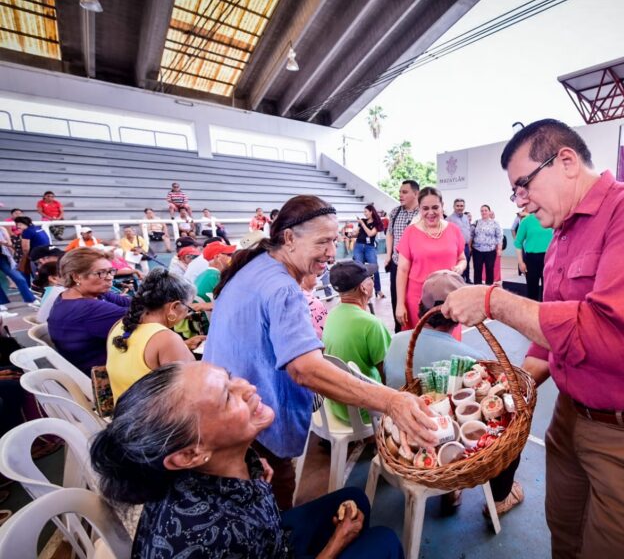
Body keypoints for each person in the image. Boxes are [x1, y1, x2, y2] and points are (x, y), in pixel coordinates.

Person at [442, 119, 624, 558]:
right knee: (565, 540)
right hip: (572, 419)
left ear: (566, 161)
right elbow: (552, 334)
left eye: (523, 186)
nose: (520, 201)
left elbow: (614, 339)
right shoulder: (562, 236)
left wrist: (495, 301)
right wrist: (509, 388)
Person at [203, 195, 436, 509]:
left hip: (226, 420)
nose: (331, 252)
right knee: (274, 505)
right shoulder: (283, 288)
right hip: (252, 429)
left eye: (335, 241)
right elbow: (305, 368)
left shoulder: (255, 266)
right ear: (289, 238)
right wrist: (391, 400)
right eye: (323, 242)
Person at [89, 361, 404, 559]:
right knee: (385, 540)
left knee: (353, 498)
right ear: (189, 454)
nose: (248, 387)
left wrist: (253, 476)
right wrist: (338, 542)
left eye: (229, 378)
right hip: (259, 542)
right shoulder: (217, 535)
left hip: (270, 540)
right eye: (227, 397)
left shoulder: (205, 467)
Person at [385, 270, 524, 515]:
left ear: (420, 305)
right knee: (508, 436)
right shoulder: (473, 360)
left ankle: (451, 492)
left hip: (398, 437)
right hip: (443, 452)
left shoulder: (397, 341)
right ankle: (500, 498)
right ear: (457, 317)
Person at [107, 269, 204, 400]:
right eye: (188, 309)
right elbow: (190, 394)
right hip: (152, 419)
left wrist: (184, 346)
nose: (187, 314)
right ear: (174, 307)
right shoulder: (166, 338)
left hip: (126, 414)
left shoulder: (119, 325)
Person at [323, 261, 391, 424]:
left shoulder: (332, 315)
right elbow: (387, 374)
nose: (373, 282)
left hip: (337, 404)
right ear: (363, 288)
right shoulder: (371, 324)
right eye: (371, 278)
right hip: (363, 410)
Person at [48, 247, 131, 373]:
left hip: (82, 369)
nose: (109, 277)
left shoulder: (69, 296)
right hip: (104, 377)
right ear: (77, 277)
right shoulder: (89, 308)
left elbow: (131, 303)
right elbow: (148, 315)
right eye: (101, 273)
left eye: (111, 271)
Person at [395, 186, 466, 331]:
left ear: (442, 206)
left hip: (449, 297)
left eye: (435, 207)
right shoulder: (410, 232)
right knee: (420, 344)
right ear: (419, 208)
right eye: (425, 208)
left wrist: (460, 266)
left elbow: (462, 258)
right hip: (418, 299)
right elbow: (402, 270)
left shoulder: (454, 230)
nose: (430, 213)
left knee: (449, 344)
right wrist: (400, 303)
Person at [385, 180, 420, 333]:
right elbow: (390, 234)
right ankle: (399, 332)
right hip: (397, 263)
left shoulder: (422, 214)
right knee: (396, 299)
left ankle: (416, 329)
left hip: (416, 266)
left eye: (404, 192)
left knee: (414, 299)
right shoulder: (395, 212)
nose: (400, 195)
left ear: (416, 194)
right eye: (400, 192)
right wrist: (388, 255)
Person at [514, 211, 552, 301]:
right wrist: (520, 262)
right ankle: (532, 313)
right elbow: (518, 242)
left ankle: (546, 312)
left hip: (549, 259)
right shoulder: (526, 221)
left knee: (547, 291)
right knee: (532, 291)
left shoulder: (552, 218)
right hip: (531, 259)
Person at [352, 204, 385, 297]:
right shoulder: (362, 221)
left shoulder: (376, 223)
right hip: (358, 246)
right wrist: (352, 233)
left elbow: (370, 234)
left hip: (369, 247)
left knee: (374, 268)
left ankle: (378, 290)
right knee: (358, 268)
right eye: (364, 212)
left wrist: (362, 224)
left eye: (366, 211)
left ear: (371, 212)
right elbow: (357, 233)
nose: (364, 213)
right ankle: (359, 289)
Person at [0, 225, 37, 308]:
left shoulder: (2, 229)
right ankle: (2, 304)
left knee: (19, 278)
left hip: (3, 257)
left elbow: (9, 243)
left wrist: (3, 243)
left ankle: (31, 300)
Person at [470, 205, 502, 285]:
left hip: (490, 251)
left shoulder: (495, 223)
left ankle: (489, 287)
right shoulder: (476, 222)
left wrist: (499, 249)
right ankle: (477, 286)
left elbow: (499, 237)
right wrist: (470, 247)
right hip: (477, 250)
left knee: (489, 269)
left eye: (485, 210)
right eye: (482, 210)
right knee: (477, 269)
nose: (484, 212)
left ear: (489, 211)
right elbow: (471, 235)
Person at [446, 199, 472, 283]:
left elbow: (468, 231)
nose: (460, 208)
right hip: (456, 247)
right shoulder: (449, 219)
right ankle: (457, 283)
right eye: (457, 206)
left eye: (461, 206)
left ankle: (466, 280)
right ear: (454, 206)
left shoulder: (466, 217)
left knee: (466, 264)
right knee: (458, 266)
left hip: (466, 246)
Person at [301, 272, 328, 338]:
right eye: (312, 271)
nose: (316, 274)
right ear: (302, 278)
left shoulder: (297, 297)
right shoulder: (312, 302)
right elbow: (324, 334)